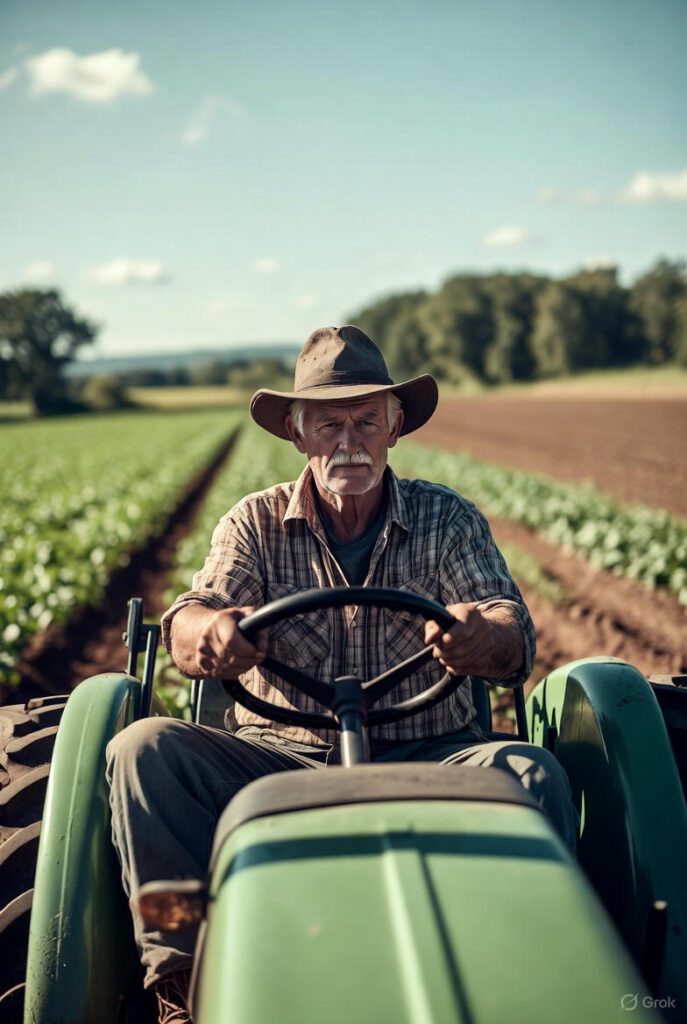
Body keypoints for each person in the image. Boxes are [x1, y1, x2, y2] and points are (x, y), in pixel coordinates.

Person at [106, 325, 578, 1024]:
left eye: (365, 421)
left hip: (430, 753)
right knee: (143, 750)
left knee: (530, 771)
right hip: (277, 759)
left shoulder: (446, 519)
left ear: (394, 428)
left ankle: (530, 986)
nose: (347, 440)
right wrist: (210, 636)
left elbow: (509, 630)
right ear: (297, 434)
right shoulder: (255, 524)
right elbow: (191, 613)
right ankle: (183, 985)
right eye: (329, 422)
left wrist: (480, 636)